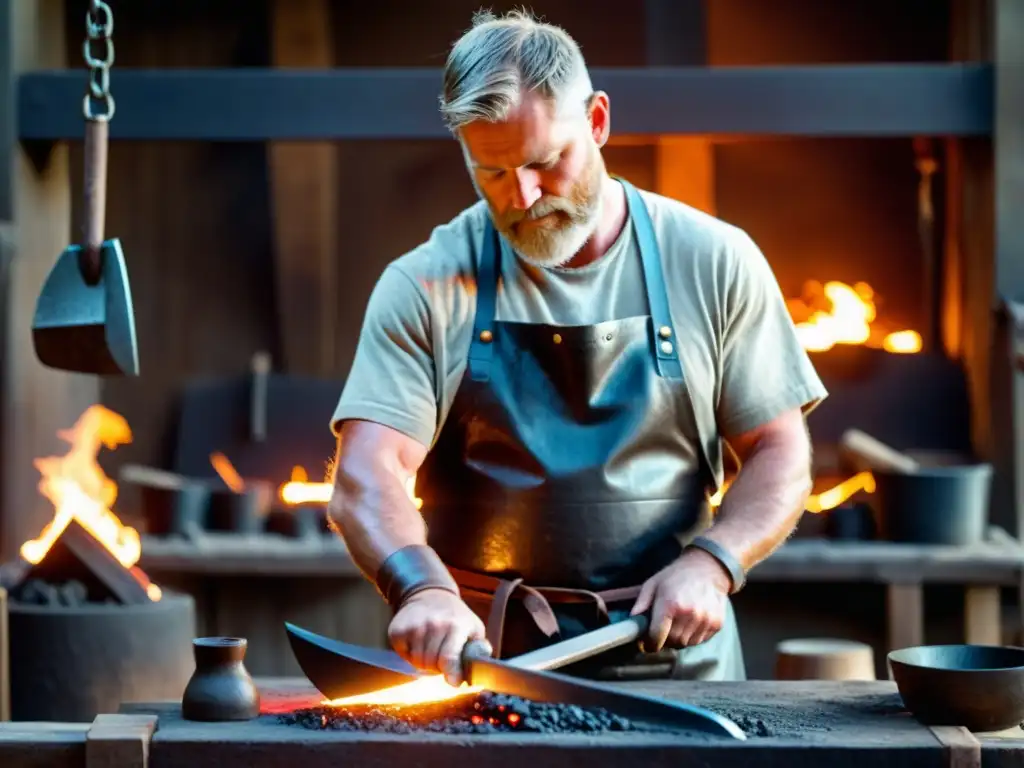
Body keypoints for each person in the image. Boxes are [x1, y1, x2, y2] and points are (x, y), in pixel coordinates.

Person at [327, 9, 827, 687]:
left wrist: (713, 562)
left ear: (596, 122)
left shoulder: (714, 260)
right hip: (482, 668)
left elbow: (781, 450)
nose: (523, 197)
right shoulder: (422, 284)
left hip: (679, 669)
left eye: (544, 162)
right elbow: (367, 473)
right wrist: (421, 587)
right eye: (492, 173)